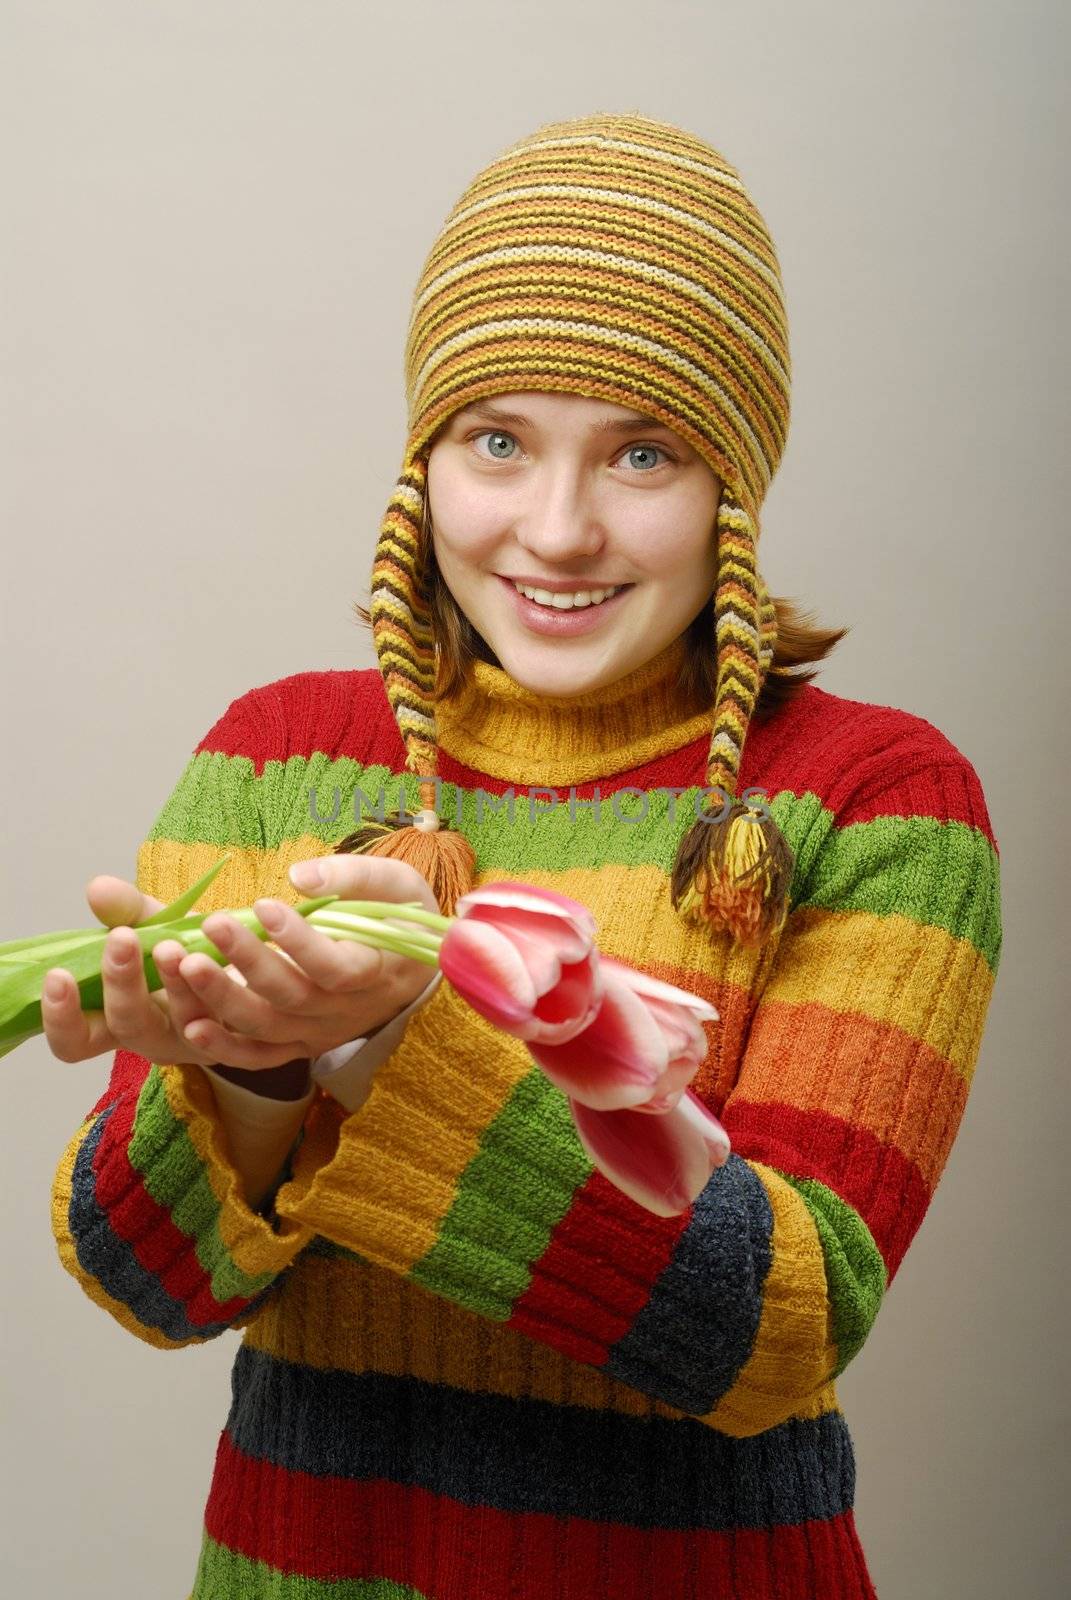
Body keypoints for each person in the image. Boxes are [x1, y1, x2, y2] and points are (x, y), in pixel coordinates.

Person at [46, 112, 1002, 1599]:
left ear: (734, 488)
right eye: (498, 439)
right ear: (424, 463)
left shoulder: (877, 799)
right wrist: (253, 1079)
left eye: (643, 450)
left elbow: (779, 1329)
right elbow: (144, 1283)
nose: (558, 531)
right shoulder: (276, 758)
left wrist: (388, 1049)